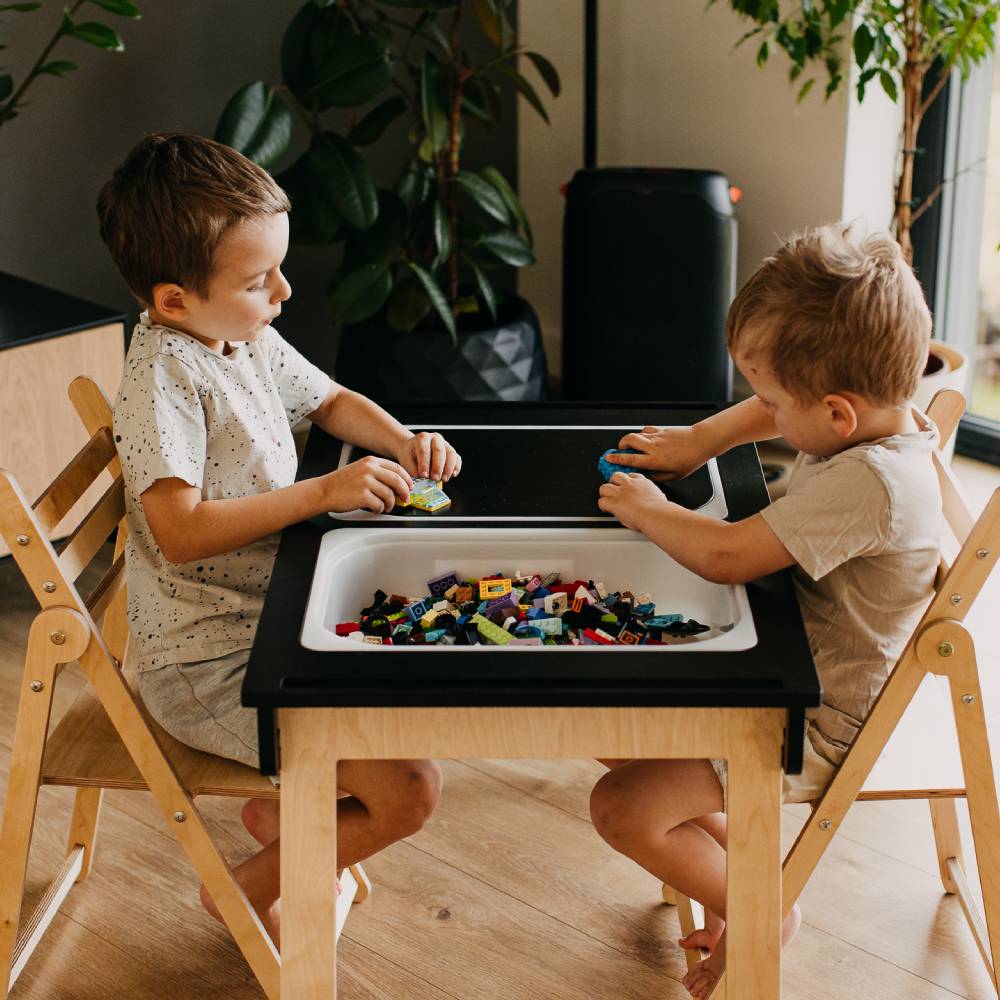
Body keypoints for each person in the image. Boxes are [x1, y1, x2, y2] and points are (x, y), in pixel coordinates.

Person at [98, 132, 460, 946]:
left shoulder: (241, 334)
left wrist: (402, 440)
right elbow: (179, 531)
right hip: (208, 663)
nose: (286, 292)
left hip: (278, 619)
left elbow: (331, 400)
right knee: (411, 789)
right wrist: (326, 491)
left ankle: (295, 819)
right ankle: (242, 889)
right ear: (172, 300)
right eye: (261, 280)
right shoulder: (164, 377)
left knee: (422, 688)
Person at [592, 224, 942, 998]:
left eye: (777, 400)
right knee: (608, 724)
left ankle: (761, 905)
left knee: (622, 807)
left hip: (813, 717)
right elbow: (770, 410)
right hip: (783, 650)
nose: (767, 410)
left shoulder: (873, 483)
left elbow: (727, 555)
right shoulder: (872, 416)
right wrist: (698, 441)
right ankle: (750, 875)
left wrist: (648, 508)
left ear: (836, 414)